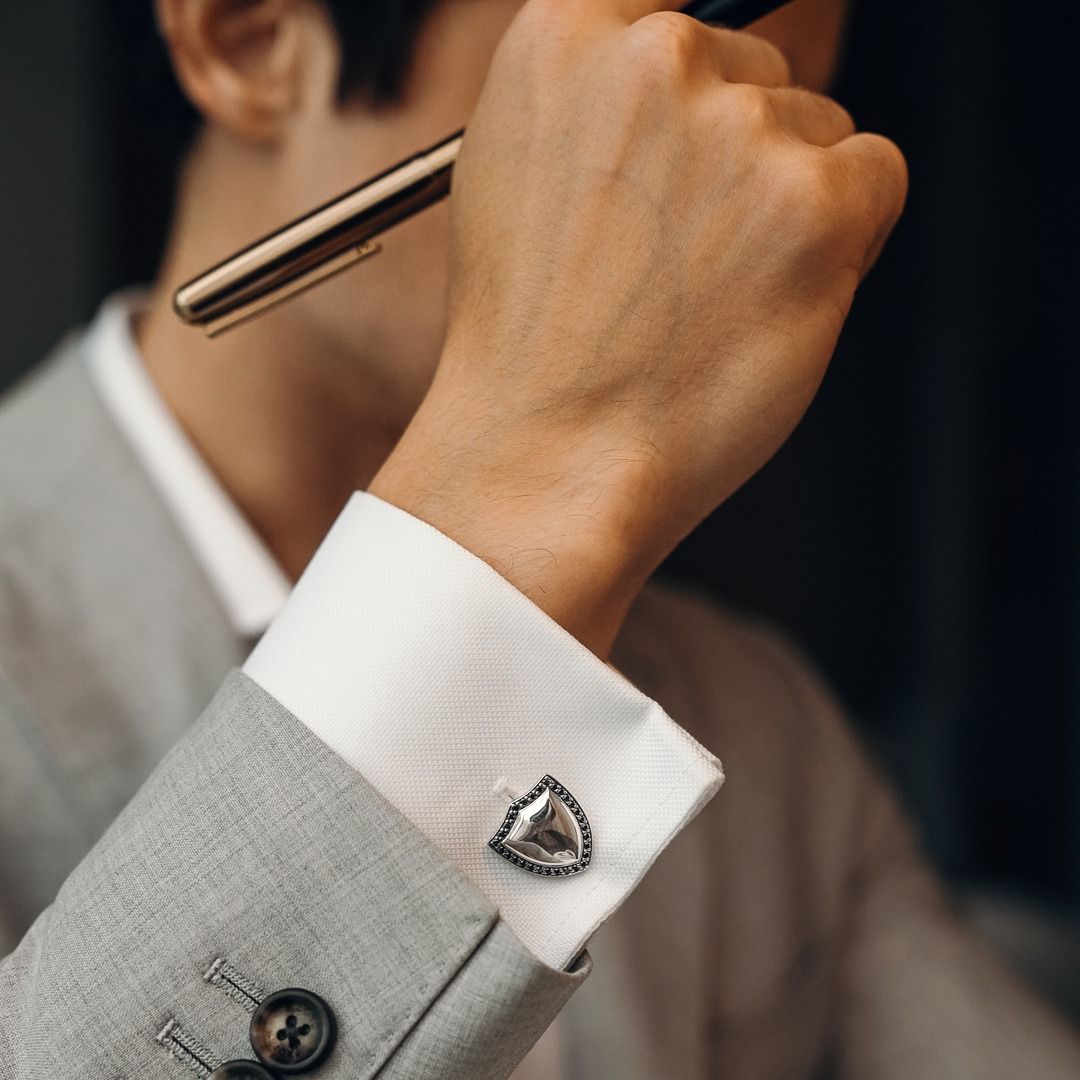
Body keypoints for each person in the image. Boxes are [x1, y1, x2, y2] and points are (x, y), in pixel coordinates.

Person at [0, 0, 1076, 1076]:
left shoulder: (759, 728)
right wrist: (548, 464)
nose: (758, 206)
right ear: (249, 41)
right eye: (651, 98)